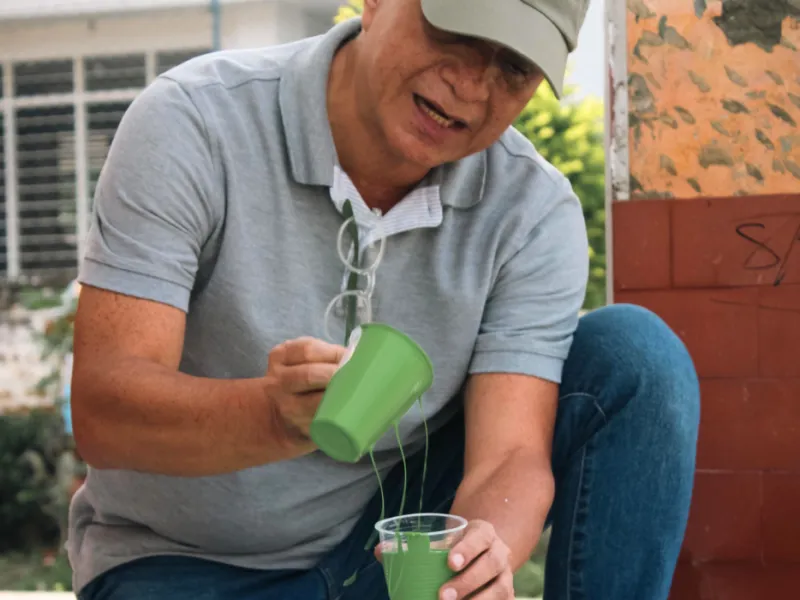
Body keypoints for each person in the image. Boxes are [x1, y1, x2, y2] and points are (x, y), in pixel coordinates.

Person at [67, 0, 701, 598]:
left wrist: (477, 560)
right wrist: (271, 417)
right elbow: (105, 416)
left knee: (635, 357)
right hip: (180, 562)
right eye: (456, 32)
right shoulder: (194, 121)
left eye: (513, 66)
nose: (472, 87)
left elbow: (509, 456)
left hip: (388, 552)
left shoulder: (531, 211)